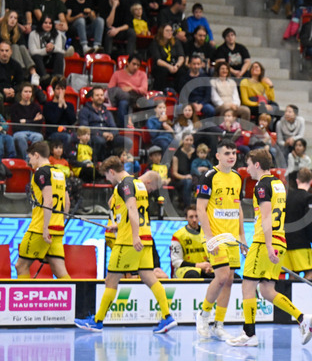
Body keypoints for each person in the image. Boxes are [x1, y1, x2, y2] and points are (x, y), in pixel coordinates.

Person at [74, 156, 177, 333]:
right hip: (146, 239)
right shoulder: (138, 184)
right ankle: (167, 317)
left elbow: (132, 209)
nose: (107, 180)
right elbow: (132, 213)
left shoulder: (125, 184)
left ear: (112, 171)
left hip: (129, 241)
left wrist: (134, 235)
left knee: (111, 280)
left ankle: (97, 321)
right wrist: (119, 225)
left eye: (107, 176)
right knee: (149, 278)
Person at [227, 149, 312, 347]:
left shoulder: (261, 185)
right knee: (267, 290)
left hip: (264, 242)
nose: (247, 169)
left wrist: (267, 246)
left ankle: (249, 334)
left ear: (257, 165)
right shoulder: (279, 184)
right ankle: (302, 318)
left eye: (249, 164)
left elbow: (266, 217)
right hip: (280, 241)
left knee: (248, 285)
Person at [194, 140, 246, 342]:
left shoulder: (237, 177)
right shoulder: (209, 176)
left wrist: (242, 236)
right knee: (222, 276)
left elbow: (238, 208)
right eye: (227, 153)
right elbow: (200, 208)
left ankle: (219, 324)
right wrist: (209, 238)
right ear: (218, 156)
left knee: (230, 280)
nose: (231, 156)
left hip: (232, 237)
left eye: (233, 152)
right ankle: (203, 314)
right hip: (215, 236)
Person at [15, 141, 69, 279]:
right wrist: (60, 222)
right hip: (57, 228)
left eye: (30, 157)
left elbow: (49, 200)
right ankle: (78, 300)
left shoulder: (41, 172)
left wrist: (45, 228)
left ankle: (24, 300)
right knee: (60, 272)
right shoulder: (59, 172)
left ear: (37, 155)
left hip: (40, 229)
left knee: (21, 266)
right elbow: (67, 202)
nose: (29, 161)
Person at [282, 167, 312, 279]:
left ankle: (290, 296)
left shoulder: (286, 197)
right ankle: (302, 296)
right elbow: (309, 223)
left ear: (297, 181)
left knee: (293, 275)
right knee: (310, 273)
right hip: (301, 243)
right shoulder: (309, 198)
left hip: (286, 241)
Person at [170, 204, 213, 279]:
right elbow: (176, 261)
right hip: (185, 269)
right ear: (186, 218)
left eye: (197, 216)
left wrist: (209, 265)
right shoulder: (178, 235)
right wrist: (198, 265)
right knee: (193, 274)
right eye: (191, 217)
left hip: (205, 267)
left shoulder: (208, 233)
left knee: (229, 275)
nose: (194, 220)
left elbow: (213, 255)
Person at [106, 54, 148, 126]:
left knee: (125, 102)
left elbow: (144, 90)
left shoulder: (142, 74)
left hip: (136, 97)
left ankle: (125, 126)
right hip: (121, 98)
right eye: (134, 64)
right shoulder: (117, 74)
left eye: (138, 65)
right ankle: (124, 127)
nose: (135, 67)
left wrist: (131, 88)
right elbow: (111, 89)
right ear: (128, 63)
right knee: (123, 101)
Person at [7, 82, 43, 159]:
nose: (28, 94)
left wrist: (26, 122)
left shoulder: (36, 107)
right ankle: (27, 159)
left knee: (39, 137)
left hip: (34, 133)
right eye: (25, 91)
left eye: (30, 92)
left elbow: (38, 126)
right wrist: (33, 120)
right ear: (21, 93)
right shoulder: (15, 107)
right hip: (20, 133)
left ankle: (32, 158)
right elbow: (16, 126)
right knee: (20, 137)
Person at [169, 132, 195, 208]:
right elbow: (174, 173)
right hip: (180, 180)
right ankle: (187, 207)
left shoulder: (197, 152)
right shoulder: (177, 154)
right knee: (188, 182)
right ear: (183, 141)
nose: (189, 142)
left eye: (191, 140)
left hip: (196, 178)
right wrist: (185, 177)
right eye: (187, 140)